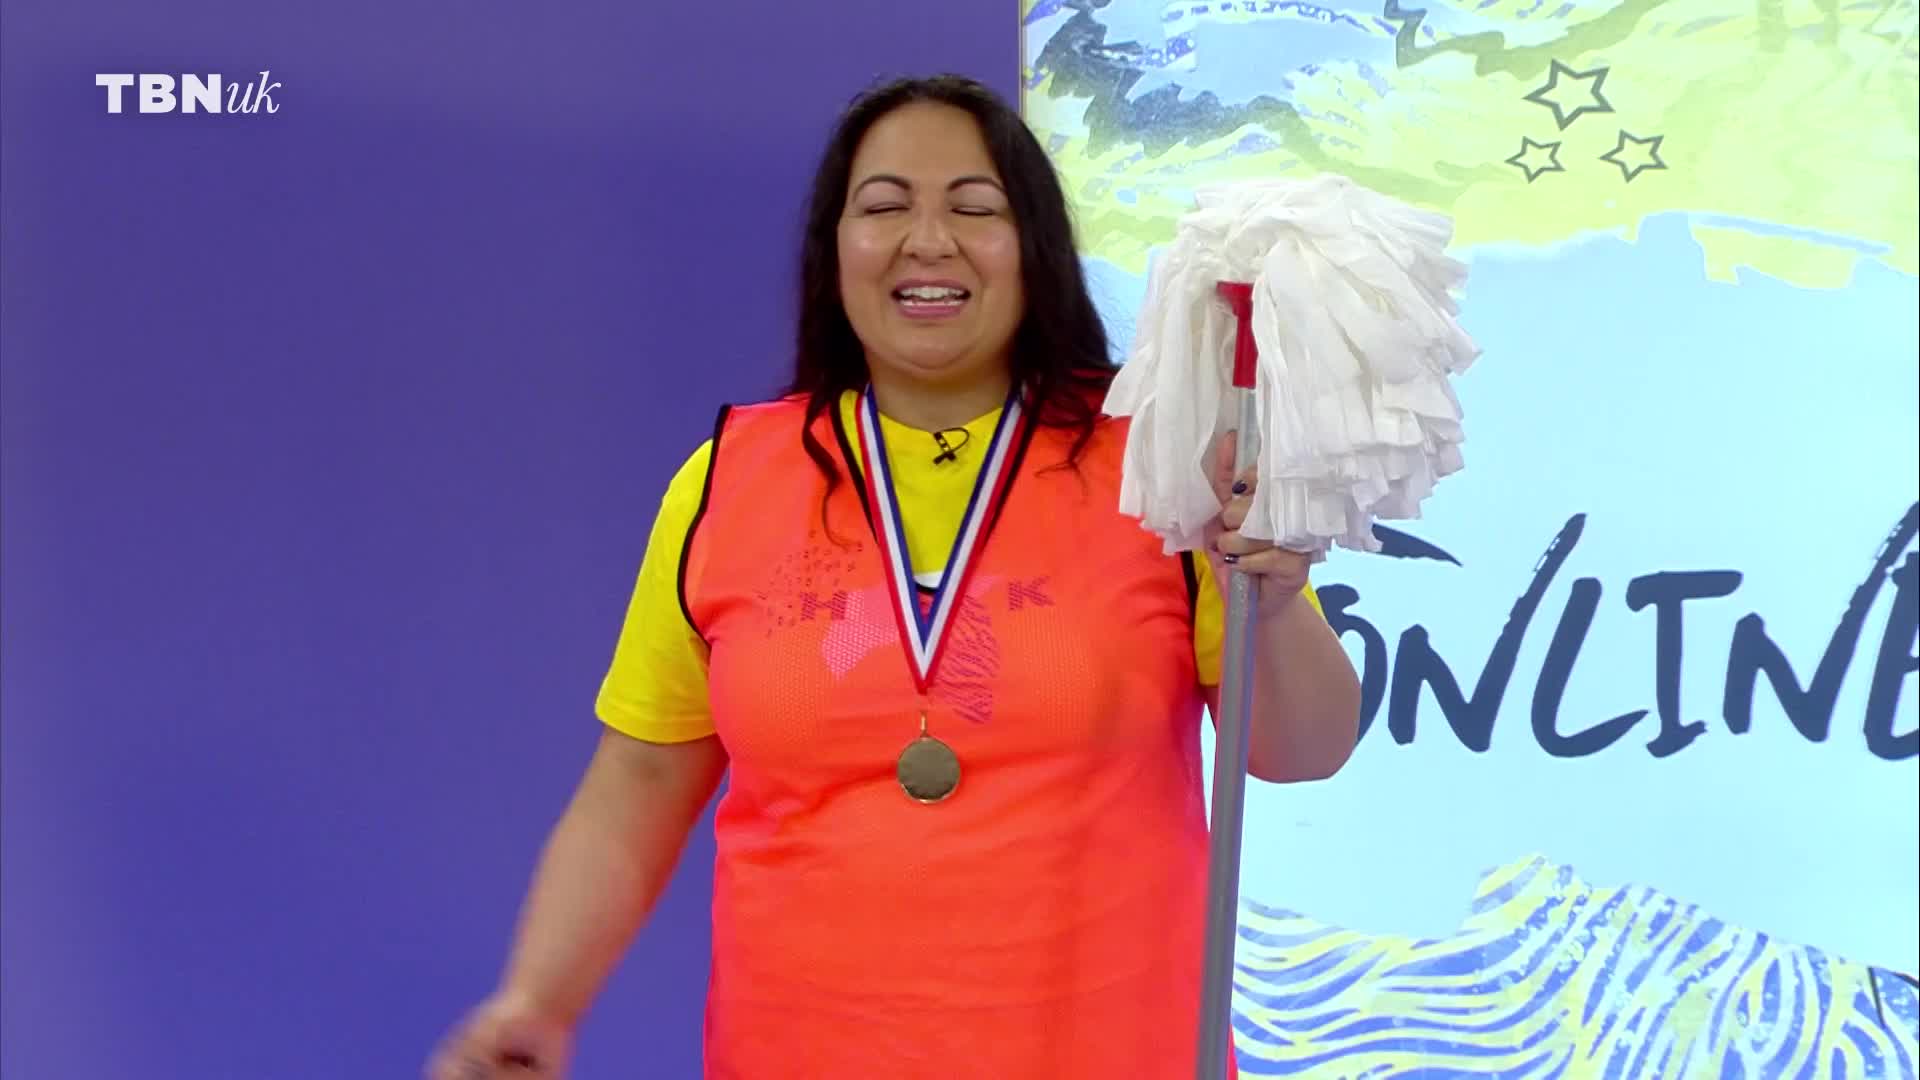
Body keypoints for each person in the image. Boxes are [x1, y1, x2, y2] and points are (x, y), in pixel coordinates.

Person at [427, 74, 1362, 1080]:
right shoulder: (726, 480)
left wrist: (1273, 604)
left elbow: (1301, 751)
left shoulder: (1159, 465)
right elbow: (639, 783)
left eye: (975, 208)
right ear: (834, 249)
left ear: (1036, 247)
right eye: (883, 207)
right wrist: (540, 999)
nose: (928, 240)